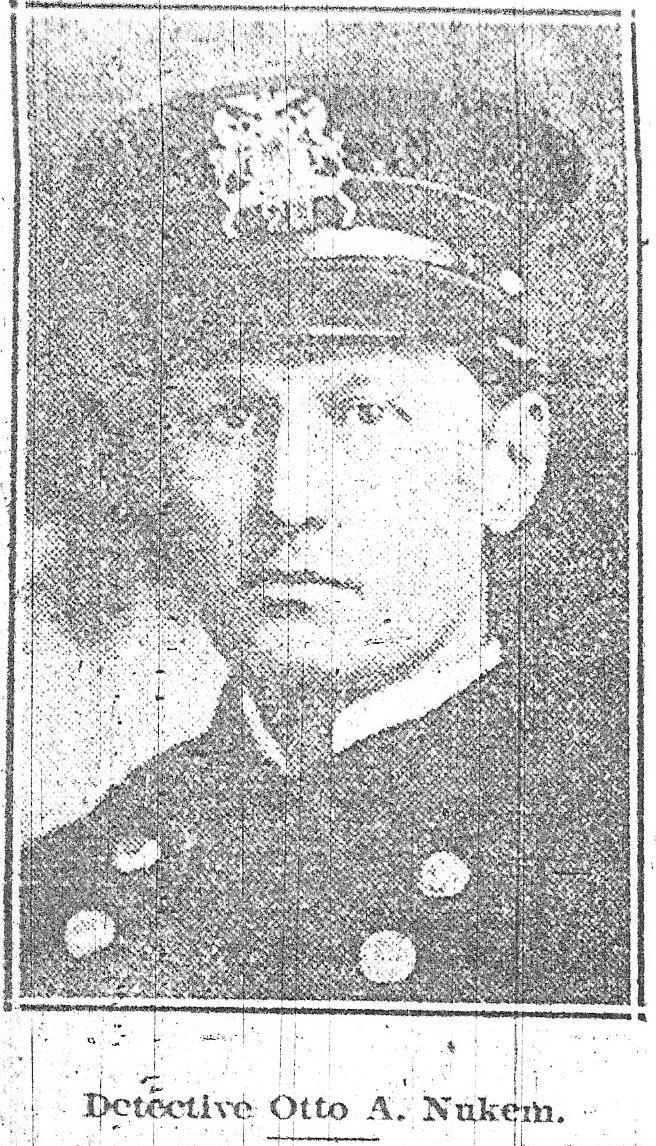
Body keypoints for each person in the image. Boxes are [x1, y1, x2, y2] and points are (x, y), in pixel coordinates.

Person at [20, 76, 628, 1004]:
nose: (288, 499)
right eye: (231, 418)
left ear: (510, 462)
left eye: (365, 414)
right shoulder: (58, 891)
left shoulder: (616, 854)